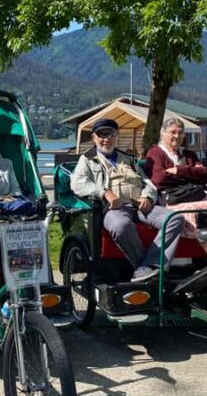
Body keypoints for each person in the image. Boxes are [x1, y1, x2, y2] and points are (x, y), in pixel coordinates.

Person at [70, 118, 184, 282]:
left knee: (174, 219)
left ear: (116, 136)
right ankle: (144, 269)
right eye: (102, 135)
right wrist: (103, 192)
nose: (106, 139)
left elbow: (148, 182)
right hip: (113, 209)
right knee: (120, 226)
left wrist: (147, 196)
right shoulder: (87, 159)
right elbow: (77, 183)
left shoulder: (128, 158)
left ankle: (149, 265)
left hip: (141, 206)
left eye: (110, 134)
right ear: (94, 137)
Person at [144, 117, 207, 261]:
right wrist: (191, 173)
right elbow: (159, 179)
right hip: (171, 201)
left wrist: (179, 170)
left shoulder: (189, 154)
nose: (177, 136)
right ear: (163, 134)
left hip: (193, 196)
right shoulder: (155, 153)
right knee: (193, 212)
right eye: (172, 132)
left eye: (180, 133)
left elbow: (205, 175)